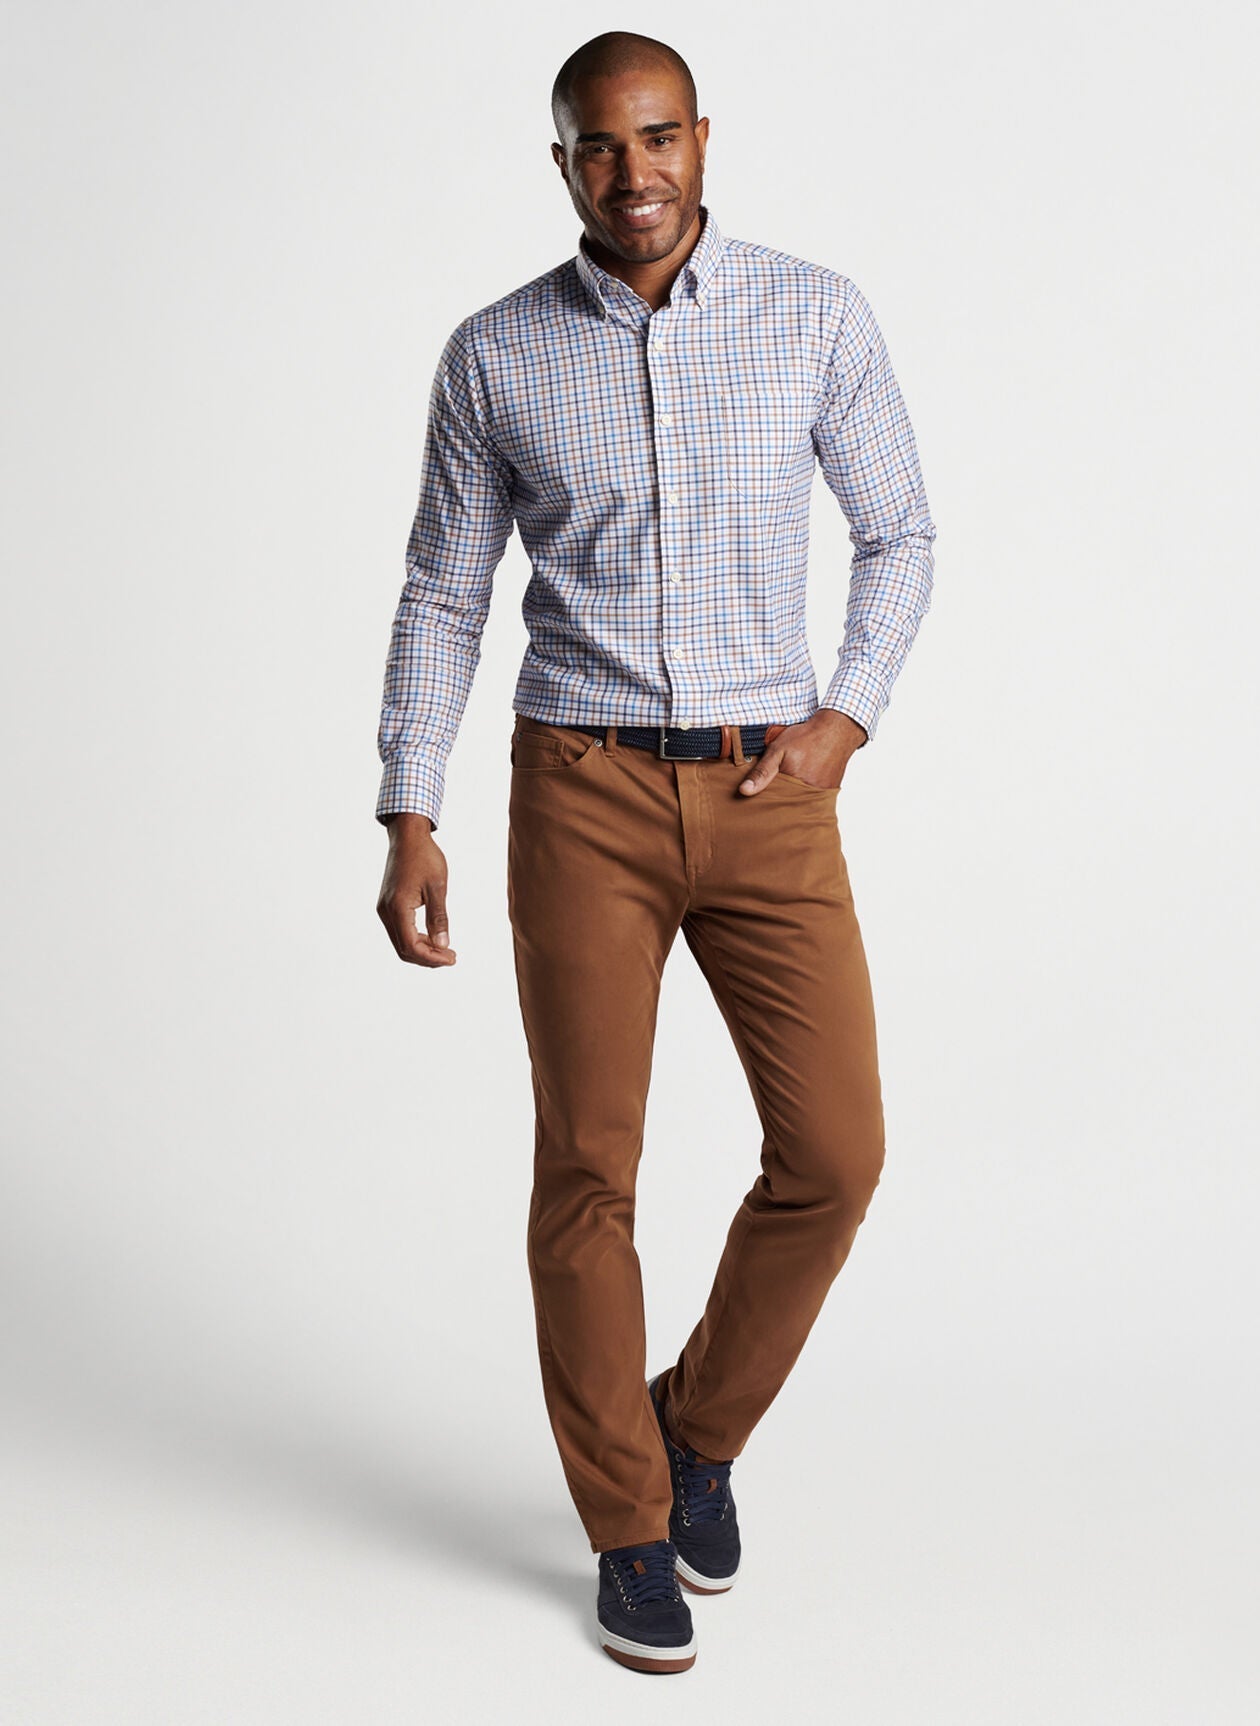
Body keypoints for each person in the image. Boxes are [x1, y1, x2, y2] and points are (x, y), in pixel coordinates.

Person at [375, 30, 936, 1675]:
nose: (636, 174)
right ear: (563, 163)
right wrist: (410, 804)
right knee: (588, 1170)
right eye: (600, 147)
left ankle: (693, 1430)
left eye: (660, 136)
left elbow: (901, 531)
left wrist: (845, 718)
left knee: (837, 1152)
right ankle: (626, 1520)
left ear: (702, 137)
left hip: (772, 790)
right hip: (583, 792)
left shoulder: (816, 314)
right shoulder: (494, 354)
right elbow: (444, 590)